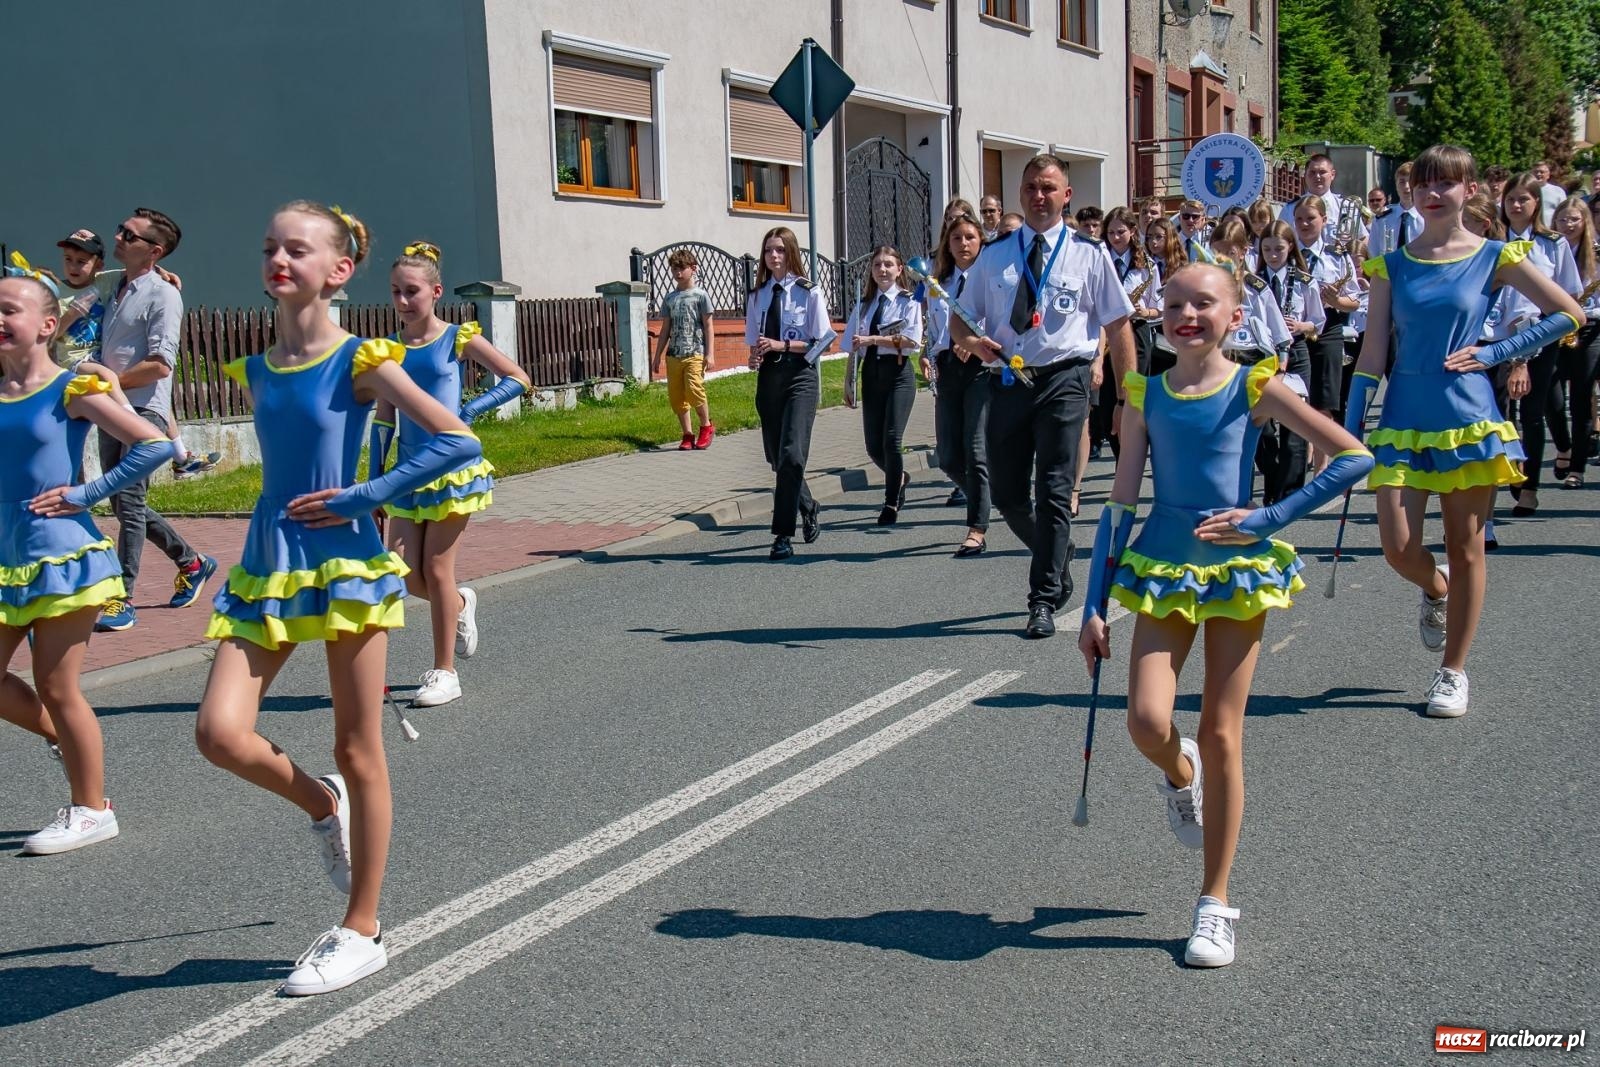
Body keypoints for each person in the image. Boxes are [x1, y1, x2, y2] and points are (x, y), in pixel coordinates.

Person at [198, 201, 484, 996]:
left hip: (347, 564)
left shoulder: (361, 358)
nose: (279, 259)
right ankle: (318, 801)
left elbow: (457, 439)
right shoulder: (257, 367)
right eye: (269, 247)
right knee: (219, 733)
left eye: (298, 248)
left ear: (337, 269)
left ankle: (364, 926)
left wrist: (367, 495)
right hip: (267, 563)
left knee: (359, 747)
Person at [1077, 260, 1372, 969]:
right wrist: (1091, 603)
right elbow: (1120, 502)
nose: (1186, 313)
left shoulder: (1255, 385)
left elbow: (1352, 456)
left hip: (1236, 570)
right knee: (1147, 721)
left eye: (1203, 303)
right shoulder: (1145, 392)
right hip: (1165, 566)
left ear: (1235, 316)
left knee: (1220, 728)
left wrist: (1268, 516)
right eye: (1174, 302)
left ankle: (1215, 903)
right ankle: (1183, 780)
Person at [1346, 144, 1582, 718]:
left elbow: (1568, 312)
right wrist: (1347, 436)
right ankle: (1436, 588)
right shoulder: (1391, 265)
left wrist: (1500, 350)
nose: (1432, 193)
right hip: (1403, 417)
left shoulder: (1496, 256)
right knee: (1399, 548)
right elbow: (1372, 354)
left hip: (1469, 417)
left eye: (1445, 184)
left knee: (1466, 545)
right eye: (1423, 183)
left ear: (1470, 190)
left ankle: (1452, 670)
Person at [0, 268, 180, 854]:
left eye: (10, 309)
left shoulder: (71, 390)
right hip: (4, 555)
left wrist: (85, 494)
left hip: (60, 556)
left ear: (47, 326)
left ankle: (92, 808)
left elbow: (153, 445)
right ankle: (63, 738)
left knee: (56, 683)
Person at [951, 154, 1135, 639]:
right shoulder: (994, 255)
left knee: (1053, 489)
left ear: (1066, 195)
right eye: (1031, 187)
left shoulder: (1088, 254)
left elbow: (1117, 325)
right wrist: (974, 343)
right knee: (1008, 495)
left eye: (1049, 188)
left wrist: (1127, 398)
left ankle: (1042, 598)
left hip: (1064, 378)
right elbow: (959, 320)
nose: (1039, 195)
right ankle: (1057, 552)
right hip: (1009, 380)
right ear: (1020, 193)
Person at [372, 241, 527, 709]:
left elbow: (517, 377)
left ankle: (445, 672)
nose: (402, 301)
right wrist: (374, 479)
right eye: (396, 292)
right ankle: (459, 605)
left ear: (436, 291)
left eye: (411, 291)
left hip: (452, 469)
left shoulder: (457, 338)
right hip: (405, 472)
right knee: (400, 572)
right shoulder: (388, 351)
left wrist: (469, 411)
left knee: (437, 569)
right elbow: (383, 418)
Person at [85, 210, 216, 632]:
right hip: (113, 406)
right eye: (120, 229)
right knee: (123, 502)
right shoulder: (115, 284)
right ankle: (192, 562)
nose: (118, 237)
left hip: (143, 410)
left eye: (130, 235)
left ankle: (121, 597)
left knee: (129, 500)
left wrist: (110, 382)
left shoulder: (163, 295)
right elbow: (72, 282)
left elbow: (161, 364)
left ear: (153, 250)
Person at [50, 232, 219, 479]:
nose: (73, 266)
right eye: (68, 259)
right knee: (105, 377)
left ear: (98, 265)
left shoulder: (104, 282)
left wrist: (162, 273)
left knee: (159, 404)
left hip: (99, 358)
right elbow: (48, 334)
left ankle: (182, 458)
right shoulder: (57, 293)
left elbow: (140, 271)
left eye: (81, 261)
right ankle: (137, 427)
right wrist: (73, 313)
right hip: (73, 363)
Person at [1497, 170, 1583, 515]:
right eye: (1511, 199)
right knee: (1502, 412)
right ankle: (1510, 468)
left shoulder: (1552, 243)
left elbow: (1569, 293)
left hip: (1540, 336)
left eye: (1524, 199)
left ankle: (1529, 484)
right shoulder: (1493, 240)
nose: (1516, 205)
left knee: (1533, 412)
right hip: (1498, 338)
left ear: (1536, 204)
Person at [744, 226, 830, 561]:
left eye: (779, 249)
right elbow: (754, 339)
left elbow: (823, 339)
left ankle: (782, 535)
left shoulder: (809, 293)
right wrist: (755, 356)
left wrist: (784, 345)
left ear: (790, 252)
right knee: (777, 459)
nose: (774, 256)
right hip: (770, 379)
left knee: (793, 455)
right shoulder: (758, 295)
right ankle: (808, 505)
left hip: (800, 377)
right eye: (768, 251)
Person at [922, 211, 992, 556]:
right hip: (949, 366)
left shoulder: (993, 277)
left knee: (975, 449)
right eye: (956, 239)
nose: (963, 244)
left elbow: (1004, 319)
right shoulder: (938, 283)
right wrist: (929, 352)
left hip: (981, 367)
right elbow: (935, 328)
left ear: (981, 241)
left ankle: (976, 527)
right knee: (948, 457)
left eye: (970, 237)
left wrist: (977, 342)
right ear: (947, 246)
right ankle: (987, 495)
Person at [842, 246, 923, 524]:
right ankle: (899, 477)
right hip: (872, 375)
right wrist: (848, 382)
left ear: (899, 269)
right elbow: (853, 348)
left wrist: (874, 340)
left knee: (892, 440)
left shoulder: (908, 301)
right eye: (877, 265)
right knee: (873, 446)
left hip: (898, 373)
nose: (883, 270)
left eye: (889, 264)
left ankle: (890, 503)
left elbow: (912, 341)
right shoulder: (864, 305)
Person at [1256, 220, 1324, 501]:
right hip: (1263, 355)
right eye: (1267, 249)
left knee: (1295, 424)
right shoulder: (1254, 282)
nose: (1273, 255)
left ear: (1291, 248)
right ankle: (1274, 478)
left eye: (1279, 249)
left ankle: (1291, 491)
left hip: (1296, 354)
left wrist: (1301, 325)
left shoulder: (1305, 281)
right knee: (1262, 425)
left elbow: (1318, 322)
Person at [1291, 194, 1362, 442]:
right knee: (1299, 397)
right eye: (1299, 219)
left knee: (1324, 399)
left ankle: (1321, 467)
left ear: (1324, 219)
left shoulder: (1337, 256)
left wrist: (1335, 301)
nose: (1304, 224)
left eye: (1310, 218)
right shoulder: (1287, 254)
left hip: (1328, 326)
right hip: (1295, 329)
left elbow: (1355, 301)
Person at [1549, 196, 1600, 488]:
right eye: (1563, 219)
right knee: (1550, 398)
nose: (1568, 225)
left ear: (1585, 222)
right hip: (1554, 325)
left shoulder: (1595, 253)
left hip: (1590, 326)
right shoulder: (1549, 248)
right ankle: (1563, 446)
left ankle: (1577, 468)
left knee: (1581, 397)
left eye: (1574, 220)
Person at [1099, 207, 1157, 461]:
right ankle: (1118, 447)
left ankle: (1132, 452)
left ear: (1133, 231)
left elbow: (1160, 305)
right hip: (1106, 331)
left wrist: (1145, 311)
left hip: (1136, 331)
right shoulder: (1100, 260)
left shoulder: (1147, 265)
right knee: (1107, 398)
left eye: (1121, 232)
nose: (1115, 237)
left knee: (1133, 393)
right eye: (1110, 232)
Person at [651, 248, 716, 451]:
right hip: (674, 354)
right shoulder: (671, 298)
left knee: (694, 389)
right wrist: (657, 356)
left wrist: (710, 353)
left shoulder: (700, 296)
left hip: (694, 352)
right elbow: (665, 329)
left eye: (681, 268)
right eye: (674, 269)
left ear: (693, 269)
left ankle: (706, 426)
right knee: (677, 396)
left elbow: (708, 326)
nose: (678, 273)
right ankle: (687, 434)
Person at [1278, 153, 1369, 247]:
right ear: (1305, 175)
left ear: (1332, 175)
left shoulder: (1346, 207)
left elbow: (1363, 238)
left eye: (1322, 172)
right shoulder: (1290, 209)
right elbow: (1279, 240)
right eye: (1312, 172)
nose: (1317, 176)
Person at [1143, 218, 1187, 376]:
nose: (1153, 242)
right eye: (1149, 237)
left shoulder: (1181, 266)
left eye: (1158, 237)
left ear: (1169, 237)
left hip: (1172, 328)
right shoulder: (1142, 264)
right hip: (1148, 326)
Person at [1367, 162, 1424, 257]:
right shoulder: (1382, 219)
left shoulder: (1427, 217)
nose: (1406, 187)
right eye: (1402, 182)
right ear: (1396, 185)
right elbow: (1373, 253)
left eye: (1410, 181)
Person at [1532, 160, 1566, 227]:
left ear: (1548, 175)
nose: (1538, 174)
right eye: (1536, 172)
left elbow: (1564, 212)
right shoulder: (1525, 190)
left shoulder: (1558, 191)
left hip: (1551, 231)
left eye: (1542, 172)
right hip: (1530, 230)